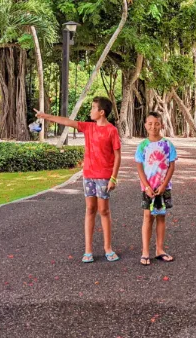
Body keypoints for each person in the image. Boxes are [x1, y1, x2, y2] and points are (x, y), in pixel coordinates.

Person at [36, 97, 121, 263]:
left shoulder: (111, 130)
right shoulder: (88, 127)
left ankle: (108, 248)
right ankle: (88, 250)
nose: (90, 111)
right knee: (90, 209)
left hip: (104, 176)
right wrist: (45, 116)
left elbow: (117, 156)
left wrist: (113, 178)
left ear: (101, 112)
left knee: (103, 211)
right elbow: (67, 121)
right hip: (88, 175)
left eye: (93, 108)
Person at [135, 112, 177, 266]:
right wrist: (146, 186)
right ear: (145, 125)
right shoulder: (142, 146)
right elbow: (139, 167)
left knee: (161, 216)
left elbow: (172, 166)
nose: (153, 126)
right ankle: (145, 251)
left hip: (163, 187)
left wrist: (164, 184)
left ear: (162, 125)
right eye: (150, 123)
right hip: (148, 188)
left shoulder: (168, 145)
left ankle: (160, 249)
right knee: (147, 217)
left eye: (157, 123)